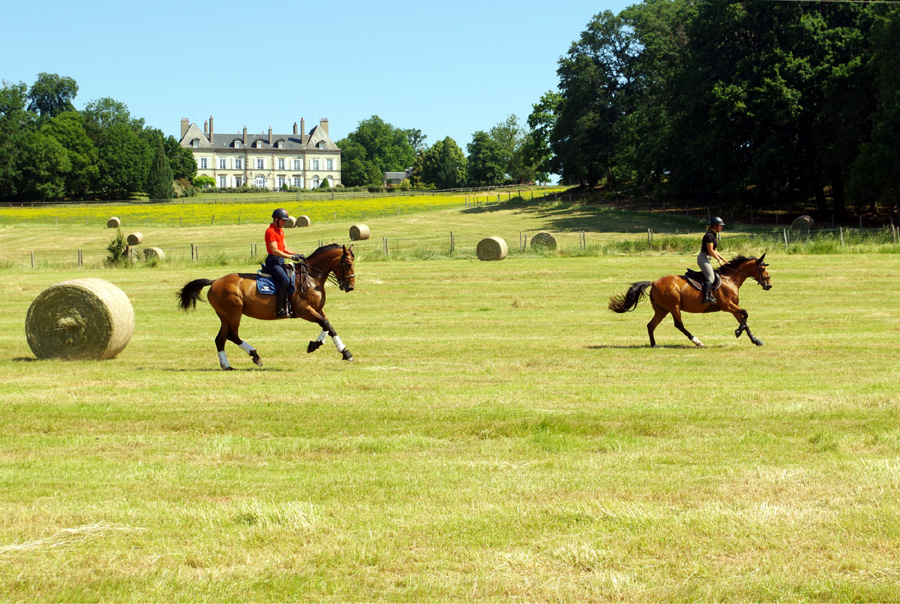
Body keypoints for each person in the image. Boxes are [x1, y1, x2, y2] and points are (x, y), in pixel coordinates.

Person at [265, 208, 302, 317]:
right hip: (273, 262)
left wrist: (297, 254)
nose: (285, 223)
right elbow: (275, 250)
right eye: (283, 220)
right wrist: (291, 257)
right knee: (285, 280)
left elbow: (285, 248)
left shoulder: (280, 230)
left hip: (280, 260)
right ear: (276, 219)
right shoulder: (270, 231)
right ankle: (280, 309)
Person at [698, 216, 727, 304]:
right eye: (720, 225)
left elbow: (715, 250)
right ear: (715, 226)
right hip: (703, 258)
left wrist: (723, 259)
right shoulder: (709, 236)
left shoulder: (713, 235)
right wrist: (718, 260)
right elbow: (710, 250)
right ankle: (706, 298)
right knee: (711, 277)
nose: (721, 227)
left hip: (707, 258)